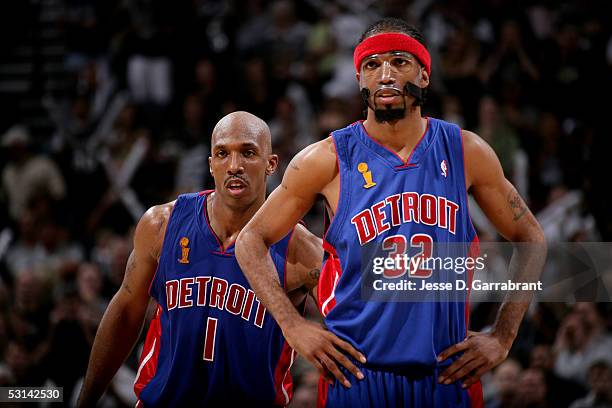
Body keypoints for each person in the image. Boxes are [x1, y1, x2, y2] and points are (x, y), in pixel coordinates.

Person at [236, 18, 546, 407]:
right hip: (357, 376)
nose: (384, 74)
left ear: (425, 75)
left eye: (399, 62)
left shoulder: (466, 152)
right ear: (360, 80)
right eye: (371, 65)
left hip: (446, 373)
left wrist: (503, 335)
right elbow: (250, 240)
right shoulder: (326, 159)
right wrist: (293, 325)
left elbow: (531, 237)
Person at [77, 111, 329, 407]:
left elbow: (359, 322)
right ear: (211, 165)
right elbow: (125, 314)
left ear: (271, 164)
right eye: (223, 154)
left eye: (248, 153)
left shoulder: (302, 249)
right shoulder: (162, 224)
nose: (234, 166)